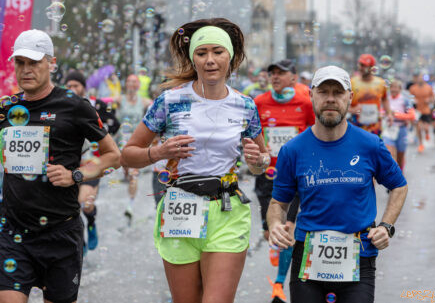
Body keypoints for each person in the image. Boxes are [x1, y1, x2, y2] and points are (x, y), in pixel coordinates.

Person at [120, 18, 270, 303]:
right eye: (202, 53)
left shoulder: (245, 106)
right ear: (193, 58)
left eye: (218, 52)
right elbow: (128, 154)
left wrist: (258, 160)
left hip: (226, 210)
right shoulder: (169, 101)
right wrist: (159, 153)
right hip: (181, 207)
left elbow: (260, 160)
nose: (210, 60)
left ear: (231, 56)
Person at [267, 65, 408, 303]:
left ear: (350, 98)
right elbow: (277, 203)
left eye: (338, 92)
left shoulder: (370, 144)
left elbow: (399, 186)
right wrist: (274, 225)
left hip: (359, 256)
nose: (330, 99)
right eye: (323, 92)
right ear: (311, 95)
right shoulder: (292, 150)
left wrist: (386, 227)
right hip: (307, 258)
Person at [0, 29, 121, 303]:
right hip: (12, 233)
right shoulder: (5, 109)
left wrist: (75, 175)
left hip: (60, 232)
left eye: (34, 62)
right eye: (20, 62)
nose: (26, 69)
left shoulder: (74, 106)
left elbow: (113, 155)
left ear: (51, 64)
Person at [256, 59, 315, 303]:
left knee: (287, 229)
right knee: (270, 232)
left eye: (281, 73)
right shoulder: (259, 103)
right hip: (267, 175)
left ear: (294, 77)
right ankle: (273, 242)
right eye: (272, 73)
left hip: (294, 176)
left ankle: (279, 284)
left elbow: (315, 134)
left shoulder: (304, 103)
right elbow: (251, 135)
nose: (276, 76)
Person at [64, 70, 121, 254]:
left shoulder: (95, 105)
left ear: (83, 87)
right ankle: (78, 239)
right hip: (68, 164)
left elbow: (116, 123)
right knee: (71, 206)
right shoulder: (60, 107)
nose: (72, 89)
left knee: (84, 203)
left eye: (76, 85)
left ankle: (91, 222)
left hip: (92, 162)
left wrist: (98, 132)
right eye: (69, 86)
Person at [116, 74, 152, 223]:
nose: (131, 84)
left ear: (138, 86)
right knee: (126, 169)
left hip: (136, 141)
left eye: (134, 82)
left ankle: (130, 206)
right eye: (129, 81)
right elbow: (100, 102)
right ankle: (126, 174)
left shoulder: (144, 102)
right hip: (121, 139)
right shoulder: (118, 100)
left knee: (133, 173)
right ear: (125, 84)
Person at [349, 54, 391, 136]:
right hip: (356, 125)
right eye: (360, 64)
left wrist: (389, 114)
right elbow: (344, 102)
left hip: (375, 126)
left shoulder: (380, 83)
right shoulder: (352, 82)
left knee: (374, 147)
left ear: (372, 68)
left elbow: (385, 99)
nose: (360, 67)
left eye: (364, 65)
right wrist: (352, 110)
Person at [382, 79, 415, 170]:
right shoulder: (386, 99)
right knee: (390, 154)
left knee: (400, 157)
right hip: (389, 128)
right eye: (392, 87)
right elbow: (381, 111)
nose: (393, 89)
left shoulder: (405, 101)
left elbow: (412, 115)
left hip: (402, 129)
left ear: (400, 89)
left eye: (396, 87)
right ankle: (393, 174)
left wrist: (396, 114)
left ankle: (400, 173)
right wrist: (386, 114)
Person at [409, 74, 435, 153]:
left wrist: (429, 100)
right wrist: (413, 100)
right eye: (419, 78)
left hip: (426, 110)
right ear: (417, 79)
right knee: (419, 128)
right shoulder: (413, 88)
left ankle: (427, 133)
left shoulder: (428, 87)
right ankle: (421, 144)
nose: (420, 80)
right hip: (417, 111)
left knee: (426, 128)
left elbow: (433, 97)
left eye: (422, 78)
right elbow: (409, 98)